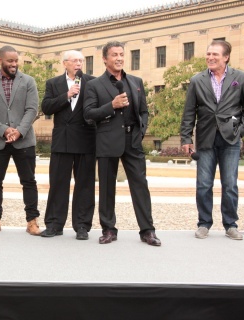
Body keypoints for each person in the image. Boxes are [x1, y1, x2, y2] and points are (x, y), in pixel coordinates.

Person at [84, 41, 161, 246]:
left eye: (121, 54)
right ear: (105, 59)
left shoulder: (136, 81)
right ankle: (109, 229)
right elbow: (89, 114)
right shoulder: (94, 85)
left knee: (140, 186)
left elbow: (143, 110)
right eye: (114, 55)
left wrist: (141, 131)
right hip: (108, 141)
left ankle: (147, 231)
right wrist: (112, 105)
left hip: (133, 140)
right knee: (107, 188)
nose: (119, 58)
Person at [180, 40, 244, 240]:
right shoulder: (197, 80)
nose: (210, 58)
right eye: (208, 54)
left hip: (230, 140)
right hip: (205, 138)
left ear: (226, 57)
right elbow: (189, 113)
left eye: (215, 54)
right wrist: (186, 138)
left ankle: (230, 224)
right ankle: (204, 223)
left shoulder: (241, 77)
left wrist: (239, 131)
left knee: (230, 184)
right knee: (204, 184)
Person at [0, 45, 41, 236]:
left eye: (16, 61)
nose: (14, 64)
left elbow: (32, 109)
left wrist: (19, 131)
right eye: (10, 61)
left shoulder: (28, 81)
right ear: (0, 61)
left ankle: (32, 220)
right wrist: (4, 130)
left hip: (24, 141)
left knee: (29, 181)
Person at [40, 50, 96, 240]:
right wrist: (66, 95)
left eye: (81, 60)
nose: (79, 63)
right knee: (58, 184)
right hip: (62, 140)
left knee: (85, 185)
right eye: (75, 60)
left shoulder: (93, 82)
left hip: (85, 139)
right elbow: (46, 107)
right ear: (65, 63)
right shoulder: (53, 83)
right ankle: (54, 224)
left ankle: (82, 226)